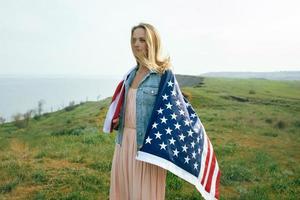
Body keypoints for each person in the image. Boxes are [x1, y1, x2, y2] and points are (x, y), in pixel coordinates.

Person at [109, 23, 172, 200]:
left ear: (152, 43)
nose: (136, 44)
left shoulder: (162, 75)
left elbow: (170, 114)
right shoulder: (130, 74)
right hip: (123, 144)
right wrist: (119, 118)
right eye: (134, 39)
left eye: (142, 40)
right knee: (124, 192)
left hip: (146, 148)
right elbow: (131, 106)